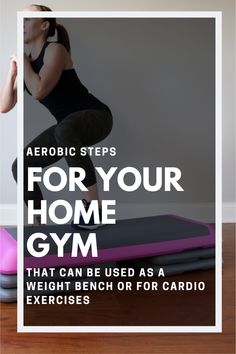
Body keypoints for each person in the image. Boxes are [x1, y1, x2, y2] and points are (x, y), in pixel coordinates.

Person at [0, 4, 113, 229]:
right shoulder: (27, 64)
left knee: (64, 130)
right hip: (67, 127)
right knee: (21, 165)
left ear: (44, 25)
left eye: (27, 19)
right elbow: (4, 106)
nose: (21, 23)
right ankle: (38, 223)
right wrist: (14, 71)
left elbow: (40, 90)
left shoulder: (55, 50)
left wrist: (23, 64)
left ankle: (94, 208)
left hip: (96, 116)